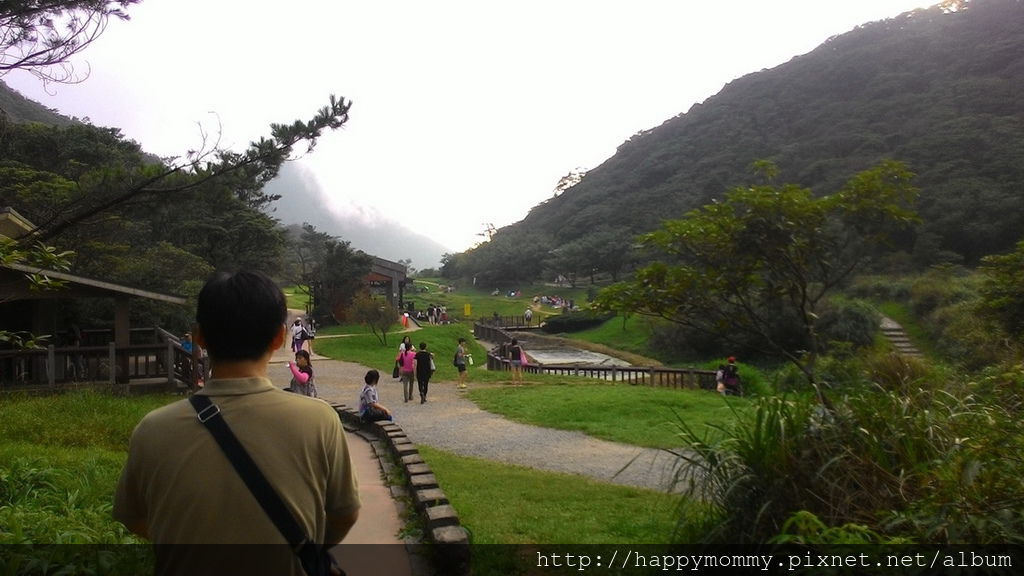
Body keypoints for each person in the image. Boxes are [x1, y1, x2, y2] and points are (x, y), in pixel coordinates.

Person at [112, 271, 360, 575]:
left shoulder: (153, 428)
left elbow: (132, 516)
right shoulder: (320, 420)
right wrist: (304, 548)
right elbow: (345, 514)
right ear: (280, 338)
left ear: (199, 337)